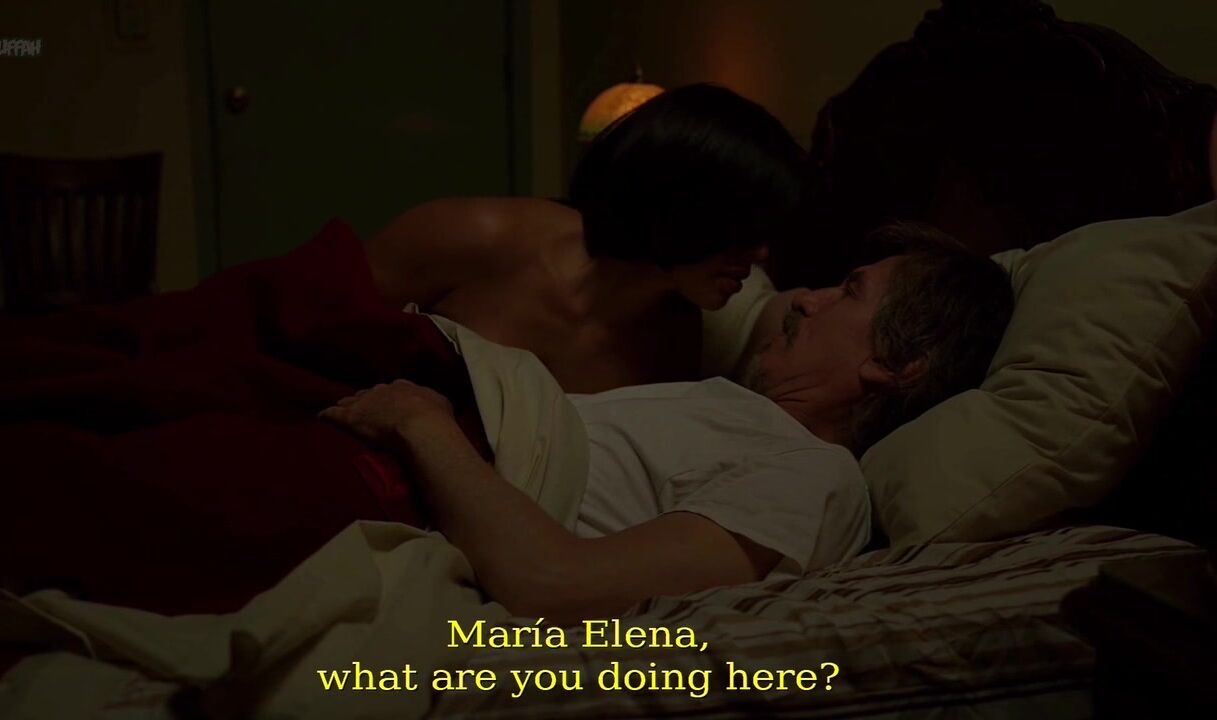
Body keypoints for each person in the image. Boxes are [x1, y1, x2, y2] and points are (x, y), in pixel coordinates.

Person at [323, 222, 1015, 624]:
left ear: (898, 364)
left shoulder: (815, 475)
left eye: (849, 292)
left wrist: (423, 424)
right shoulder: (733, 409)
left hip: (401, 476)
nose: (807, 298)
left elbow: (558, 585)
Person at [365, 83, 807, 393]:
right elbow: (330, 327)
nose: (760, 253)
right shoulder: (479, 235)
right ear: (685, 203)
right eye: (745, 228)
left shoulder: (673, 340)